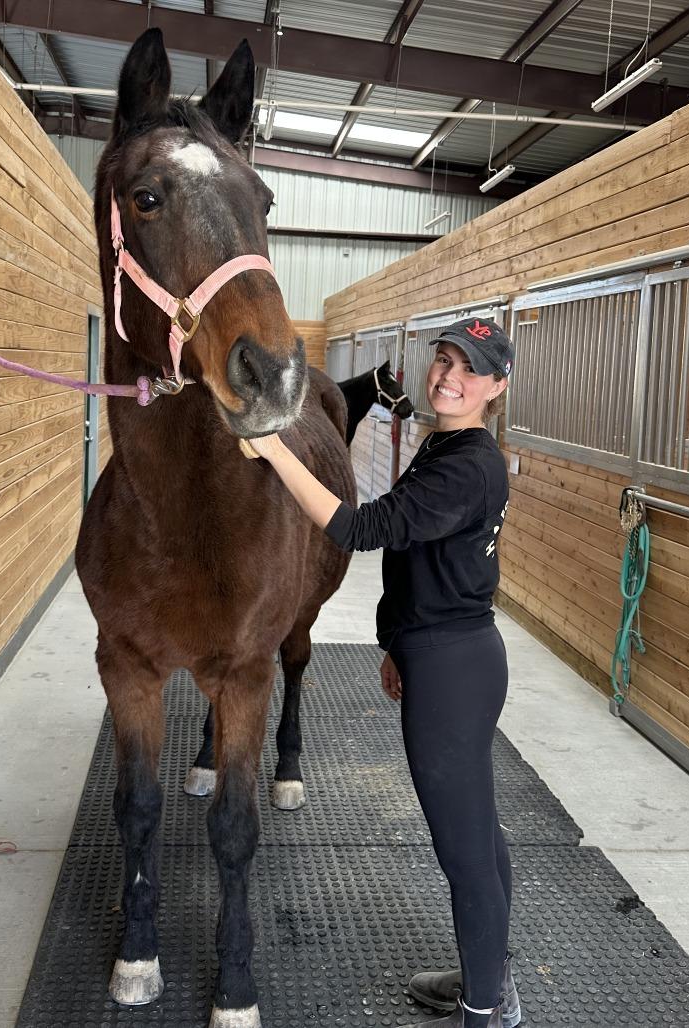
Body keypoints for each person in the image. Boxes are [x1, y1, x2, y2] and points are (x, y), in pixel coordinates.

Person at [247, 317, 520, 1028]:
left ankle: (484, 1011)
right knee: (477, 831)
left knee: (463, 849)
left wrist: (274, 449)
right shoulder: (447, 445)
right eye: (445, 360)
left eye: (469, 369)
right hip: (443, 652)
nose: (448, 377)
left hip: (453, 667)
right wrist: (397, 643)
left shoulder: (467, 465)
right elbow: (423, 559)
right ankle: (488, 976)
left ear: (496, 386)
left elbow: (361, 529)